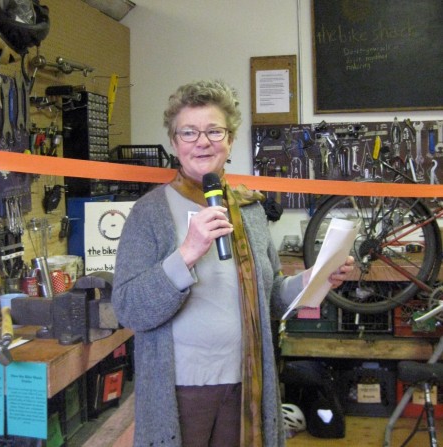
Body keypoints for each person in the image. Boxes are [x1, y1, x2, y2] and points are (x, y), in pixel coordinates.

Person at [111, 79, 354, 447]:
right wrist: (187, 253)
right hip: (182, 389)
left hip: (247, 381)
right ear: (174, 143)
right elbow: (129, 309)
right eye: (189, 132)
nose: (202, 141)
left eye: (214, 130)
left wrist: (315, 278)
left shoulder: (250, 209)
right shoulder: (149, 214)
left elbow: (271, 298)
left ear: (230, 139)